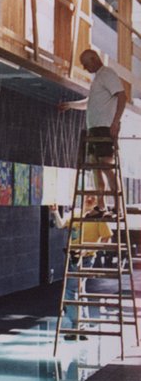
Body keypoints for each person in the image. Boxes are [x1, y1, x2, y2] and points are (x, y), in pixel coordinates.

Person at [58, 49, 128, 216]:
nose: (84, 67)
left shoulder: (107, 74)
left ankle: (118, 207)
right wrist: (70, 105)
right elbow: (89, 103)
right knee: (95, 167)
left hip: (104, 127)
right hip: (94, 129)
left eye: (85, 64)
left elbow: (122, 96)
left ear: (94, 59)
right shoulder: (98, 78)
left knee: (106, 166)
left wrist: (115, 122)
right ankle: (101, 205)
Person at [50, 195, 112, 340]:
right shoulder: (75, 213)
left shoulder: (98, 217)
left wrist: (88, 249)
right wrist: (55, 211)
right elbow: (60, 224)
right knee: (79, 290)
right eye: (87, 195)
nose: (89, 198)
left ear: (97, 200)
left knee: (71, 291)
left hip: (86, 258)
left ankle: (77, 327)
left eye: (93, 196)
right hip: (73, 256)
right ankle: (82, 326)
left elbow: (107, 238)